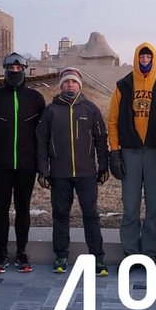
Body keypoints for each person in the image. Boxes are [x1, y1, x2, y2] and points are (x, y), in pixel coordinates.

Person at [107, 41, 156, 273]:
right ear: (137, 58)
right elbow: (113, 120)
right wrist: (114, 151)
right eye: (142, 57)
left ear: (154, 59)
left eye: (148, 57)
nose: (145, 61)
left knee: (154, 207)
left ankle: (149, 254)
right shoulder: (124, 85)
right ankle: (130, 254)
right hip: (130, 152)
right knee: (130, 206)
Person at [35, 67, 109, 276]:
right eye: (66, 82)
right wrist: (43, 170)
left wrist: (103, 166)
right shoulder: (50, 111)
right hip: (59, 174)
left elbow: (101, 139)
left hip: (86, 173)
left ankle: (98, 258)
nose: (70, 85)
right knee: (60, 215)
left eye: (74, 82)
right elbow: (41, 141)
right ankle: (61, 256)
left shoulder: (90, 109)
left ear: (79, 85)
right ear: (61, 86)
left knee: (91, 215)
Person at [0, 51, 45, 273]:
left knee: (23, 209)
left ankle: (21, 251)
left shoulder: (35, 99)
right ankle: (1, 252)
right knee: (1, 209)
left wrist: (42, 164)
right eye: (11, 69)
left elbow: (42, 135)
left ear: (25, 70)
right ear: (5, 71)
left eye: (19, 69)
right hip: (0, 165)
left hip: (26, 165)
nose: (15, 72)